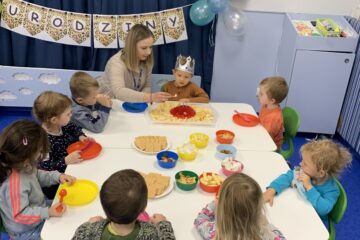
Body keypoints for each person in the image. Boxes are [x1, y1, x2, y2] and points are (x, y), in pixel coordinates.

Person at [0, 120, 76, 239]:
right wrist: (48, 212)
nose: (41, 154)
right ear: (26, 157)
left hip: (37, 208)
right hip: (26, 231)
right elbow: (20, 216)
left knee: (71, 208)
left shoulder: (22, 163)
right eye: (40, 151)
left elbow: (36, 174)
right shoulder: (14, 184)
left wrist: (57, 177)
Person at [263, 139, 352, 223]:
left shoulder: (332, 190)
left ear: (320, 173)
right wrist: (272, 189)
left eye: (305, 163)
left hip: (311, 221)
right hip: (296, 210)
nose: (301, 164)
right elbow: (287, 177)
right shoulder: (303, 171)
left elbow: (324, 209)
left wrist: (309, 187)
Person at [71, 169, 175, 240]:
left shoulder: (88, 232)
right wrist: (162, 224)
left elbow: (78, 236)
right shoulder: (151, 233)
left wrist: (90, 225)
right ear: (143, 208)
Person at [33, 91, 92, 199]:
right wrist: (65, 161)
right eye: (68, 114)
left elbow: (74, 128)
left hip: (71, 166)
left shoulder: (62, 123)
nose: (71, 115)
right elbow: (45, 167)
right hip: (56, 183)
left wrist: (80, 136)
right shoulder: (43, 142)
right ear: (54, 120)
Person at [194, 173, 286, 240]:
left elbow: (200, 220)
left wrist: (216, 203)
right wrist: (267, 224)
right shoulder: (264, 233)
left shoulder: (215, 232)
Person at [100, 24, 171, 103]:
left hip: (131, 105)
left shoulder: (147, 60)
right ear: (132, 47)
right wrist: (150, 97)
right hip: (109, 105)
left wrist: (141, 103)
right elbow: (119, 91)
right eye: (144, 48)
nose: (149, 52)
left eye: (150, 47)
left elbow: (146, 86)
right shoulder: (116, 62)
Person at [257, 76, 288, 150]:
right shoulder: (266, 105)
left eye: (261, 94)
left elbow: (267, 139)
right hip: (261, 133)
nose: (258, 95)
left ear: (272, 101)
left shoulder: (273, 118)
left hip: (271, 145)